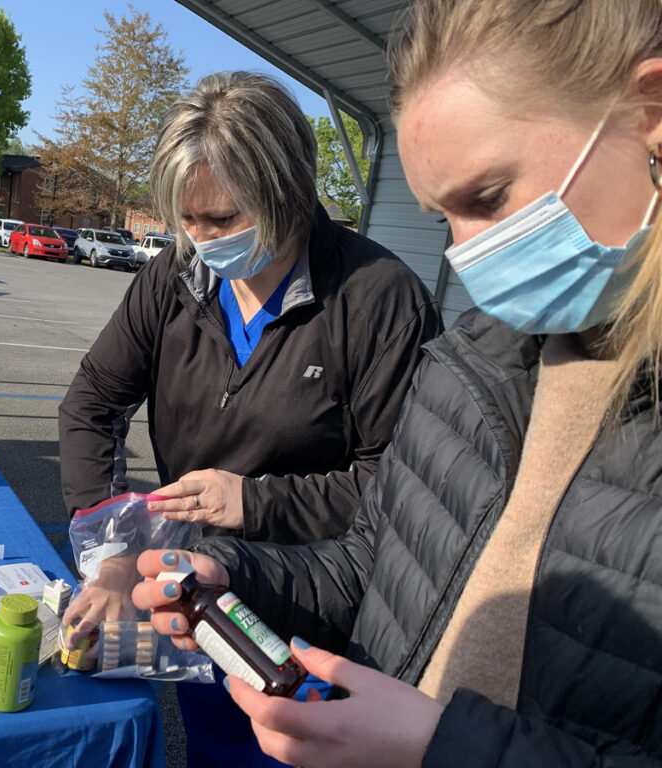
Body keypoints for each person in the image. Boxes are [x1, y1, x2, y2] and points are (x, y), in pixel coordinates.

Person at [134, 1, 662, 766]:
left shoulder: (381, 303)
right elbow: (368, 566)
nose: (465, 255)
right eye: (442, 216)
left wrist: (435, 745)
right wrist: (234, 572)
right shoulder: (471, 364)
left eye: (486, 198)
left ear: (649, 112)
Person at [58, 71, 441, 766]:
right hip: (197, 594)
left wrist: (256, 500)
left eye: (223, 219)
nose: (201, 239)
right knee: (210, 743)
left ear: (287, 193)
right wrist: (110, 555)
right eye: (186, 219)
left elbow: (404, 493)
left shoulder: (381, 301)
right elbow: (91, 403)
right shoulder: (173, 276)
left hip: (313, 614)